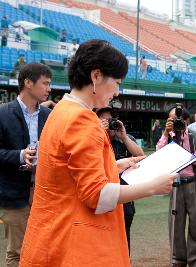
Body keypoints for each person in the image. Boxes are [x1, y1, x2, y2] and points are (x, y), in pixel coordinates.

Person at [19, 39, 177, 267]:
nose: (117, 92)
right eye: (117, 82)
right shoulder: (82, 119)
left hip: (52, 237)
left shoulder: (61, 111)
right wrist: (153, 187)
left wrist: (114, 166)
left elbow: (65, 174)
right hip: (76, 246)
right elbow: (96, 195)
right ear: (96, 76)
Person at [0, 62, 52, 267]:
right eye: (45, 83)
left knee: (43, 247)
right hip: (13, 193)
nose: (49, 88)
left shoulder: (49, 116)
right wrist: (20, 156)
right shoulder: (3, 113)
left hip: (44, 193)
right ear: (28, 82)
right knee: (17, 251)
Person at [157, 105, 196, 267]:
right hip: (176, 185)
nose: (174, 122)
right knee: (175, 225)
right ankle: (178, 260)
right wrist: (166, 134)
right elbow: (159, 153)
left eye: (177, 119)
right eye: (171, 119)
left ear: (186, 120)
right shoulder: (169, 136)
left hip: (194, 184)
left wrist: (180, 152)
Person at [96, 106, 144, 253]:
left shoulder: (124, 139)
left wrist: (123, 136)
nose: (108, 124)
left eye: (111, 120)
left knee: (123, 239)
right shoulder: (92, 138)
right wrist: (98, 131)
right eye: (104, 120)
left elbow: (141, 156)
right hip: (101, 196)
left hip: (124, 197)